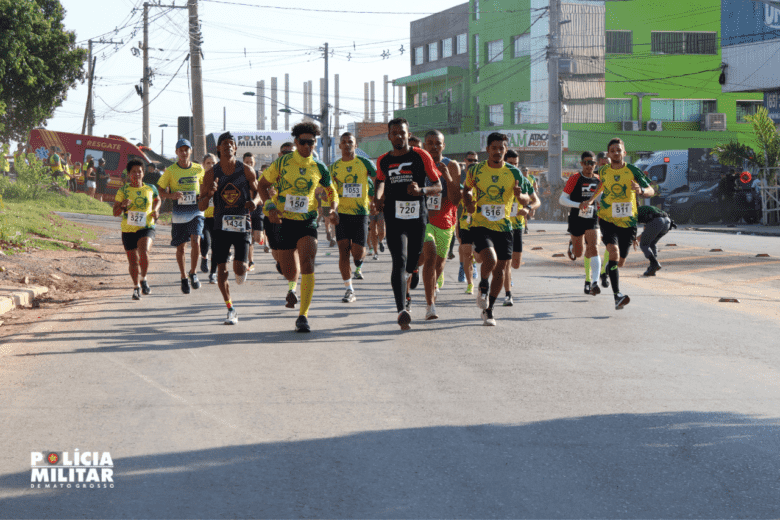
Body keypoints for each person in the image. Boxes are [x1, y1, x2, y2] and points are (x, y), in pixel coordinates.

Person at [258, 122, 339, 333]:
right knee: (289, 271)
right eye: (302, 142)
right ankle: (290, 282)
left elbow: (332, 191)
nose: (306, 146)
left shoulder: (319, 167)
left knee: (308, 262)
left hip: (307, 221)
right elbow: (262, 185)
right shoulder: (283, 162)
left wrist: (333, 209)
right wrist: (269, 206)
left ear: (315, 143)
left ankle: (303, 315)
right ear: (296, 142)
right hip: (283, 221)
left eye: (311, 142)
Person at [375, 118, 442, 330]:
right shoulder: (384, 160)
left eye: (402, 132)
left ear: (407, 133)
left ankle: (413, 273)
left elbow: (437, 185)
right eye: (394, 133)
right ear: (389, 136)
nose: (398, 136)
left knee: (413, 262)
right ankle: (401, 310)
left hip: (417, 217)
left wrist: (421, 191)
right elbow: (379, 181)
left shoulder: (420, 155)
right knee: (399, 260)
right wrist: (377, 198)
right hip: (393, 217)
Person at [463, 132, 532, 326]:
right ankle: (483, 284)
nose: (498, 152)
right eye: (494, 148)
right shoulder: (476, 170)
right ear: (487, 150)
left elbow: (527, 199)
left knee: (501, 270)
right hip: (481, 223)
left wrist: (520, 197)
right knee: (491, 260)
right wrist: (468, 200)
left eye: (501, 148)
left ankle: (489, 310)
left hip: (504, 227)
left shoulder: (514, 172)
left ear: (505, 150)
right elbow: (467, 189)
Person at [580, 138, 653, 309]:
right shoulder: (604, 171)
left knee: (620, 262)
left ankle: (607, 270)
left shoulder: (633, 170)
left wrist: (641, 190)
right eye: (612, 151)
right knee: (613, 251)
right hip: (607, 218)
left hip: (628, 222)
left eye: (618, 150)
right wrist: (590, 201)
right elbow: (602, 186)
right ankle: (617, 296)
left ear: (624, 153)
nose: (616, 153)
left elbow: (651, 190)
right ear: (609, 154)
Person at [198, 132, 260, 325]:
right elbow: (201, 206)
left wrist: (255, 203)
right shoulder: (210, 174)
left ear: (236, 148)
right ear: (218, 148)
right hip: (220, 225)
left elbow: (259, 193)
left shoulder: (247, 170)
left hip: (242, 221)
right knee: (222, 270)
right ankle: (230, 308)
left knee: (239, 269)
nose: (228, 146)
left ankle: (242, 268)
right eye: (224, 144)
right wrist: (209, 193)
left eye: (231, 144)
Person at [417, 129, 461, 319]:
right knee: (430, 254)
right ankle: (430, 306)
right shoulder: (418, 164)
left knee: (438, 263)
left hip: (445, 221)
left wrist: (448, 177)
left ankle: (431, 277)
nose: (434, 146)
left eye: (438, 143)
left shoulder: (452, 166)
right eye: (430, 143)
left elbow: (456, 200)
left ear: (444, 145)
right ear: (425, 145)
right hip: (424, 219)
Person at [330, 132, 377, 303]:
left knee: (357, 253)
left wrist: (376, 199)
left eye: (350, 142)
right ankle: (349, 289)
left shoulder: (364, 162)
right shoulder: (334, 167)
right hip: (341, 214)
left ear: (356, 145)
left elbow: (378, 177)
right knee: (343, 251)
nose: (347, 144)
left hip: (360, 213)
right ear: (339, 146)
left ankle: (358, 261)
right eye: (344, 142)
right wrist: (331, 209)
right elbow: (330, 190)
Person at [158, 138, 206, 294]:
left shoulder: (199, 169)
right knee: (181, 247)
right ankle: (183, 276)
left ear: (190, 151)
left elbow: (205, 186)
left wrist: (203, 196)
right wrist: (170, 195)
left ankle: (193, 273)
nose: (184, 153)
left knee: (196, 240)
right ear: (177, 152)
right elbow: (159, 189)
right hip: (179, 212)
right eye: (181, 150)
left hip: (196, 210)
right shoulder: (171, 170)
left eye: (187, 150)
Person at [113, 158, 161, 300]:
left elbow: (158, 199)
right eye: (134, 172)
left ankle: (144, 278)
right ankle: (136, 287)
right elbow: (115, 212)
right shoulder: (123, 190)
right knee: (133, 262)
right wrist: (122, 205)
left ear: (143, 173)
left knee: (144, 251)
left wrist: (156, 209)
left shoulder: (150, 188)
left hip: (146, 226)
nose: (137, 174)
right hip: (128, 230)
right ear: (128, 174)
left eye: (139, 171)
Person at [559, 151, 602, 294]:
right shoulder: (575, 178)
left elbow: (601, 198)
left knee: (594, 246)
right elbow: (562, 199)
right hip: (576, 219)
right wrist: (579, 205)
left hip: (592, 218)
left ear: (596, 164)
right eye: (587, 163)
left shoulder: (598, 180)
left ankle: (594, 282)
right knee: (578, 253)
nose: (590, 166)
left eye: (592, 163)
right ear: (582, 164)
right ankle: (572, 244)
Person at [503, 150, 540, 305]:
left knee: (515, 264)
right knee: (505, 262)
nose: (514, 167)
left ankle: (506, 274)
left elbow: (536, 201)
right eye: (510, 164)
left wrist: (528, 208)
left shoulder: (524, 181)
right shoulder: (499, 178)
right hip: (501, 225)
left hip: (517, 224)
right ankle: (507, 293)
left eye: (516, 164)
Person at [637, 205, 675, 276]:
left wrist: (633, 239)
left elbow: (632, 228)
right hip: (668, 222)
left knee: (644, 244)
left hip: (657, 221)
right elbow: (646, 229)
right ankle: (652, 269)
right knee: (652, 244)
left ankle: (654, 263)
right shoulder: (646, 208)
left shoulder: (635, 211)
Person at [242, 152, 264, 273]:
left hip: (257, 208)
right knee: (248, 236)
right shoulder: (239, 175)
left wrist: (256, 201)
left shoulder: (259, 175)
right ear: (243, 162)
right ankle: (251, 261)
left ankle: (260, 239)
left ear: (254, 163)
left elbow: (261, 191)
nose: (249, 164)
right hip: (245, 209)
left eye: (251, 162)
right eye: (247, 162)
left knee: (257, 237)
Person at [199, 154, 218, 283]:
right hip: (203, 216)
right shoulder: (200, 178)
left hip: (217, 216)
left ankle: (213, 273)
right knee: (205, 241)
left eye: (213, 163)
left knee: (217, 246)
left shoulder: (221, 178)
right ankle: (204, 257)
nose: (211, 165)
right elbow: (198, 195)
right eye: (208, 163)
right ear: (203, 165)